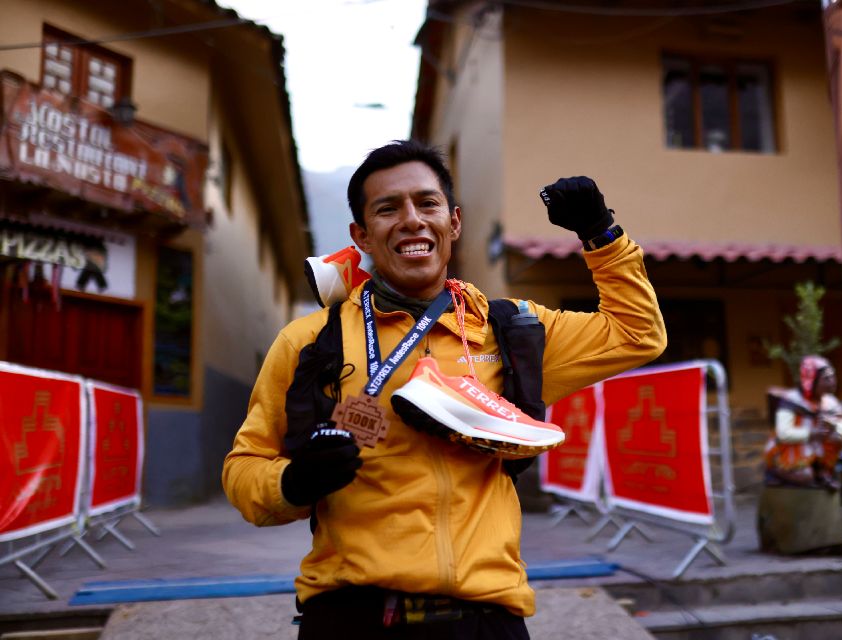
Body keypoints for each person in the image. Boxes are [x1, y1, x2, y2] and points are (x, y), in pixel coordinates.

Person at [222, 140, 666, 639]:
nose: (411, 219)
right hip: (351, 618)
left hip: (485, 620)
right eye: (388, 208)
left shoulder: (511, 329)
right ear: (362, 235)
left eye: (426, 203)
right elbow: (244, 468)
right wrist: (295, 483)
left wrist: (601, 235)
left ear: (453, 222)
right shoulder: (309, 342)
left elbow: (638, 334)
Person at [764, 355, 842, 490]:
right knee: (805, 477)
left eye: (833, 377)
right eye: (826, 379)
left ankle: (821, 469)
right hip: (789, 453)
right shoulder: (792, 400)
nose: (832, 382)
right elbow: (783, 433)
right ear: (811, 380)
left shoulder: (830, 402)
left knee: (835, 438)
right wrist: (812, 433)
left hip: (818, 452)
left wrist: (835, 426)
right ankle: (775, 472)